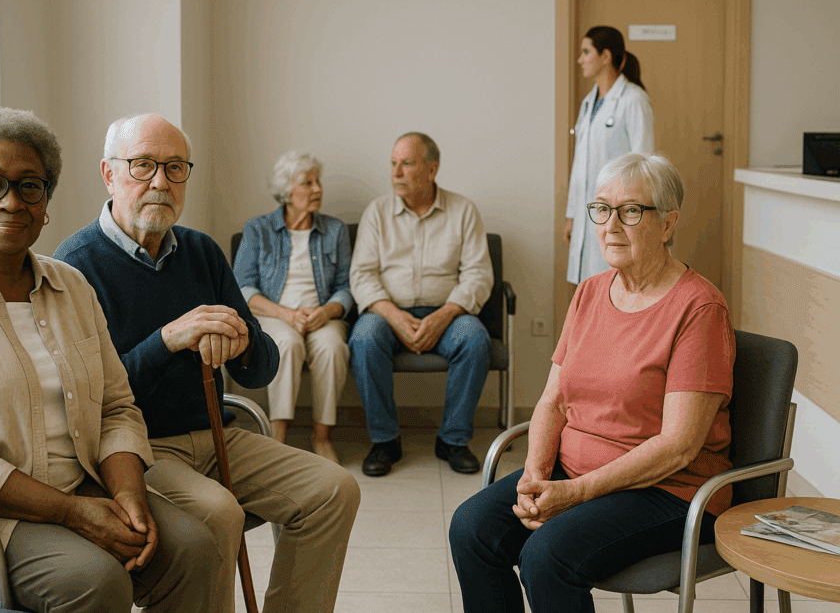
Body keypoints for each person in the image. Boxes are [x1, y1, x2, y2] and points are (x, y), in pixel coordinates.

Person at [0, 108, 221, 613]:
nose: (12, 203)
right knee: (95, 579)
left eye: (31, 187)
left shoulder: (72, 287)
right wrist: (73, 513)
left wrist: (129, 496)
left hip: (82, 486)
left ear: (46, 204)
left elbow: (116, 407)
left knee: (194, 548)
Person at [54, 114, 360, 613]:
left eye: (175, 168)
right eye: (143, 165)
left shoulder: (200, 250)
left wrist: (244, 343)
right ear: (109, 174)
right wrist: (167, 340)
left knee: (334, 490)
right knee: (219, 514)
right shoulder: (75, 266)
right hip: (136, 452)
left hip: (219, 434)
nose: (160, 181)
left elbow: (259, 371)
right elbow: (83, 401)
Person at [450, 153, 735, 613]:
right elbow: (554, 400)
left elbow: (679, 446)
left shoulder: (698, 309)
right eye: (601, 209)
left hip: (667, 491)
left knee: (546, 556)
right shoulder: (589, 292)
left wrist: (575, 494)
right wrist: (535, 476)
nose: (610, 225)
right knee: (471, 528)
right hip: (573, 475)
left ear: (667, 224)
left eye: (630, 211)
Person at [349, 132, 493, 477]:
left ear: (432, 169)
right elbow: (362, 275)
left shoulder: (463, 211)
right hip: (387, 313)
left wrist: (444, 315)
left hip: (447, 312)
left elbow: (478, 275)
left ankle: (453, 439)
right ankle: (385, 440)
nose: (396, 172)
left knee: (475, 339)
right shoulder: (377, 213)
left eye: (407, 163)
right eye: (394, 163)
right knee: (363, 339)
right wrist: (393, 314)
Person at [233, 150, 353, 464]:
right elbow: (242, 287)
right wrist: (285, 314)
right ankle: (278, 438)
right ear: (288, 190)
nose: (317, 189)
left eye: (318, 182)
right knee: (284, 343)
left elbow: (346, 287)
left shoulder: (336, 230)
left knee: (332, 348)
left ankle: (322, 436)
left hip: (322, 315)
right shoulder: (257, 230)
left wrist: (326, 312)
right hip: (274, 314)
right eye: (307, 182)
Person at [565, 25, 654, 285]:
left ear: (605, 56)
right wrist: (572, 214)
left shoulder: (634, 100)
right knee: (589, 284)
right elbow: (579, 165)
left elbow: (644, 162)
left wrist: (634, 215)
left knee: (613, 281)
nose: (580, 59)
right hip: (587, 211)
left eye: (586, 52)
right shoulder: (588, 103)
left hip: (618, 211)